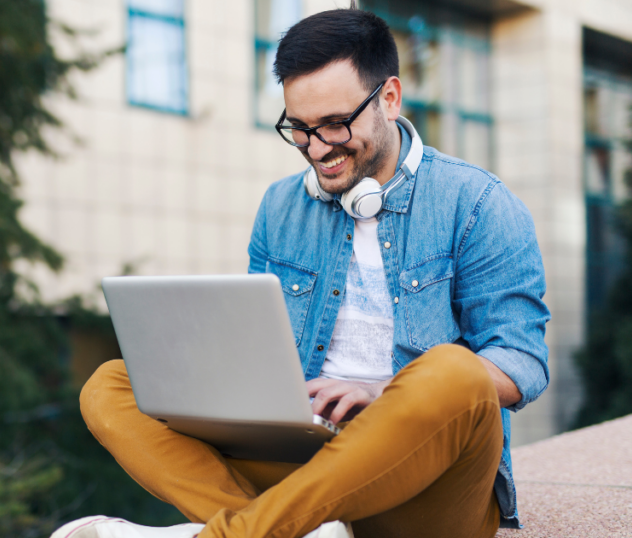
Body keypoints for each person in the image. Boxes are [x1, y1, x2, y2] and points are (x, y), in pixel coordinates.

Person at [53, 8, 550, 538]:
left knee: (452, 370)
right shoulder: (279, 207)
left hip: (425, 486)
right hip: (304, 462)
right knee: (110, 385)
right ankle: (291, 529)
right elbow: (256, 346)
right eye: (300, 129)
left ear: (389, 97)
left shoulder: (478, 203)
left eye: (335, 124)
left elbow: (522, 364)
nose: (317, 149)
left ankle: (233, 533)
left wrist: (384, 391)